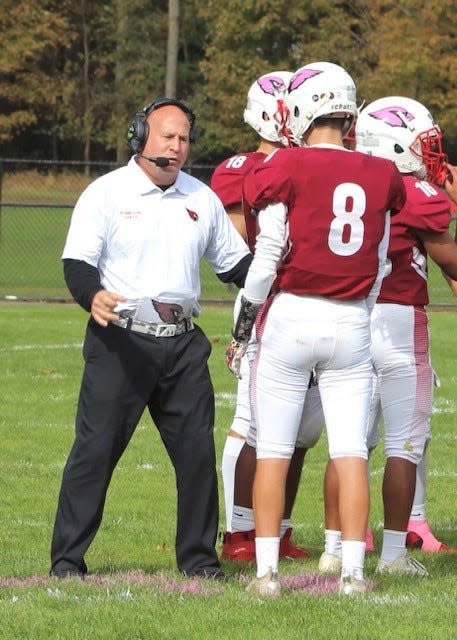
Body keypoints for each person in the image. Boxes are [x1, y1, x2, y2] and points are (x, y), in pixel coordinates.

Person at [49, 97, 252, 580]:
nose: (176, 146)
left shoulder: (200, 198)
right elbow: (77, 263)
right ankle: (66, 562)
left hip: (182, 345)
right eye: (167, 135)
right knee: (95, 452)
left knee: (197, 457)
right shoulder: (105, 193)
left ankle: (200, 562)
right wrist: (92, 295)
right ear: (139, 136)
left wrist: (284, 274)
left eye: (183, 138)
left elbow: (236, 266)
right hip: (120, 341)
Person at [226, 61, 406, 597]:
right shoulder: (381, 173)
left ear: (303, 107)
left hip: (291, 316)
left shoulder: (285, 163)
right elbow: (378, 262)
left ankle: (265, 573)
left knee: (275, 449)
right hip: (352, 319)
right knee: (350, 450)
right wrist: (358, 309)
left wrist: (242, 326)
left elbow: (266, 258)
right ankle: (352, 573)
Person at [319, 96, 457, 578]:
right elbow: (451, 261)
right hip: (399, 323)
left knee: (350, 443)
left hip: (353, 317)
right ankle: (395, 554)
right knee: (403, 445)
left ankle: (333, 546)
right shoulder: (419, 194)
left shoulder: (351, 180)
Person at [211, 71, 323, 562]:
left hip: (313, 301)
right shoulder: (240, 169)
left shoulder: (309, 162)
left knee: (301, 430)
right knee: (252, 420)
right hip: (267, 299)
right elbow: (239, 247)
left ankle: (276, 529)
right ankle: (239, 531)